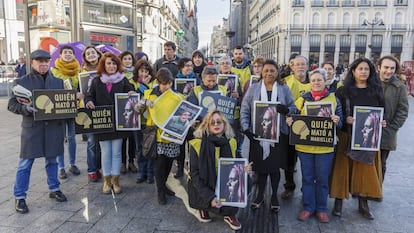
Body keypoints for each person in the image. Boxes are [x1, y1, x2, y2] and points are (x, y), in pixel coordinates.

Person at [8, 49, 68, 214]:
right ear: (32, 62)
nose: (43, 64)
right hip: (32, 129)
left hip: (53, 129)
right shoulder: (21, 82)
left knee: (53, 161)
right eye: (39, 61)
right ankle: (19, 196)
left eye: (46, 61)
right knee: (25, 164)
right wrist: (25, 108)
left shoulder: (58, 82)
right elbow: (11, 105)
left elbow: (64, 104)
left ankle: (54, 188)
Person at [330, 57, 386, 220]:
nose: (363, 72)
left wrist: (382, 121)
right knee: (342, 170)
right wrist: (345, 118)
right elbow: (337, 111)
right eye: (360, 69)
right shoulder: (342, 90)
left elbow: (383, 110)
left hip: (367, 139)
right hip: (347, 135)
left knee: (365, 172)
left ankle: (363, 204)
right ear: (353, 71)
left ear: (371, 72)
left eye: (366, 69)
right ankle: (338, 202)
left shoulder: (376, 90)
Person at [286, 68, 343, 223]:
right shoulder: (303, 99)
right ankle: (308, 207)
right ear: (310, 83)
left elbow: (341, 123)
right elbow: (292, 113)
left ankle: (322, 208)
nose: (316, 83)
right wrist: (289, 119)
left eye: (319, 80)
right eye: (313, 80)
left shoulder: (334, 99)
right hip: (305, 148)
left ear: (325, 81)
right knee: (307, 178)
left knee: (322, 179)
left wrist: (337, 121)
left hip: (325, 148)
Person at [240, 59, 295, 213]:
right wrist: (246, 129)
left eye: (272, 70)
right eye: (266, 70)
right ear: (261, 72)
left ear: (277, 72)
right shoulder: (253, 88)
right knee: (261, 167)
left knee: (275, 168)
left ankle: (274, 196)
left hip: (279, 135)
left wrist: (286, 110)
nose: (269, 73)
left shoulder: (284, 88)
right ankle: (260, 196)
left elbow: (293, 108)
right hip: (258, 134)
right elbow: (245, 109)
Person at [188, 110, 252, 230]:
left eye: (219, 122)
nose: (216, 125)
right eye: (212, 122)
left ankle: (229, 213)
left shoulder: (231, 142)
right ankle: (203, 206)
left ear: (224, 124)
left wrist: (244, 169)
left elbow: (236, 162)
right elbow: (194, 174)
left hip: (224, 182)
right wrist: (210, 197)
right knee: (196, 184)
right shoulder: (196, 144)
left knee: (246, 181)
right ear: (207, 125)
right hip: (205, 182)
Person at [85, 52, 135, 194]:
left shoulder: (123, 80)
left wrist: (131, 92)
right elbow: (89, 95)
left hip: (118, 122)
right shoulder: (96, 80)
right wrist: (88, 101)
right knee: (106, 152)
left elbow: (131, 89)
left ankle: (116, 180)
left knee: (117, 152)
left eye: (114, 63)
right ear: (103, 65)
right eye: (108, 63)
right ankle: (106, 181)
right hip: (103, 122)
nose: (111, 66)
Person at [134, 68, 183, 205]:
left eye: (169, 84)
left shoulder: (177, 96)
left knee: (168, 164)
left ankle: (164, 185)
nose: (166, 87)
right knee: (159, 165)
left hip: (171, 136)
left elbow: (184, 112)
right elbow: (136, 109)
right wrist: (145, 103)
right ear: (158, 82)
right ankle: (160, 191)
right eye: (163, 84)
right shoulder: (149, 94)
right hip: (156, 136)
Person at [281, 55, 311, 200]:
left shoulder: (315, 81)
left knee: (307, 161)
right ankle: (289, 186)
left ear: (307, 66)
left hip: (310, 128)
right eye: (297, 64)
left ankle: (308, 190)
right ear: (292, 66)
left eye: (302, 64)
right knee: (289, 159)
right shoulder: (286, 82)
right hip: (291, 125)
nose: (300, 67)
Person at [51, 45, 81, 179]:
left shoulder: (79, 71)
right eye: (65, 52)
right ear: (60, 55)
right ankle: (61, 167)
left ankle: (73, 164)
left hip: (74, 108)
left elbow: (82, 88)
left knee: (72, 138)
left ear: (74, 55)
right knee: (60, 138)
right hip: (59, 109)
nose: (68, 54)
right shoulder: (54, 71)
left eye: (70, 52)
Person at [377, 55, 408, 181]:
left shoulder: (399, 87)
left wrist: (392, 127)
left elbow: (403, 110)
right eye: (386, 67)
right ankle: (363, 189)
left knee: (381, 163)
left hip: (387, 132)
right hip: (369, 130)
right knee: (365, 162)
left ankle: (377, 190)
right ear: (379, 68)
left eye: (392, 68)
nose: (388, 71)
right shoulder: (371, 83)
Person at [132, 59, 155, 184]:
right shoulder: (133, 82)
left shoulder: (155, 83)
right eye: (141, 71)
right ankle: (142, 172)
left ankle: (150, 173)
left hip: (150, 121)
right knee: (140, 148)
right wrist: (143, 86)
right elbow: (133, 98)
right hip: (137, 120)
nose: (144, 74)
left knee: (150, 148)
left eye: (146, 71)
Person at [81, 45, 102, 182]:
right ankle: (92, 170)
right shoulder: (81, 72)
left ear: (98, 54)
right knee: (91, 142)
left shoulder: (106, 68)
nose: (91, 55)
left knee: (103, 142)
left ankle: (100, 167)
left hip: (104, 108)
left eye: (93, 53)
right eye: (88, 54)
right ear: (85, 57)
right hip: (88, 109)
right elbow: (78, 89)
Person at [119, 51, 137, 174]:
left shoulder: (136, 74)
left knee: (132, 139)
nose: (127, 61)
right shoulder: (118, 74)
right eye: (124, 59)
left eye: (129, 59)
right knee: (122, 139)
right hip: (121, 108)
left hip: (133, 109)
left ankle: (131, 161)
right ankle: (122, 163)